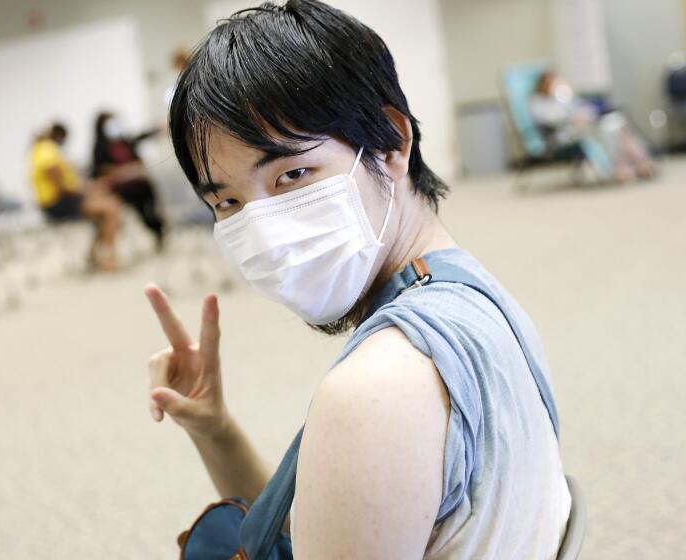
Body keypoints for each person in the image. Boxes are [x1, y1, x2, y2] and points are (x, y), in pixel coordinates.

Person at [145, 1, 569, 558]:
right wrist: (214, 429)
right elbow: (345, 521)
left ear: (391, 143)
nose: (265, 232)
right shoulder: (473, 296)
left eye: (292, 173)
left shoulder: (376, 390)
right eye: (226, 200)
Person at [530, 71, 655, 182]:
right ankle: (621, 167)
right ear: (544, 85)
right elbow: (551, 121)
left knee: (615, 124)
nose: (556, 84)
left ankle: (639, 162)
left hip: (586, 128)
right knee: (607, 130)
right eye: (552, 82)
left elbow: (583, 107)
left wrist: (582, 113)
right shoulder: (539, 102)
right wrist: (571, 118)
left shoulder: (565, 98)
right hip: (564, 136)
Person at [29, 123, 122, 271]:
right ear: (60, 136)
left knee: (110, 203)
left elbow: (68, 184)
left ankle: (93, 255)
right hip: (58, 204)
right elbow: (62, 188)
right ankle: (108, 258)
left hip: (63, 200)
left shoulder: (42, 150)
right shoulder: (47, 151)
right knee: (110, 209)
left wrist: (89, 189)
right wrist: (87, 190)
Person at [90, 112, 166, 251]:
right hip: (119, 190)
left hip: (140, 186)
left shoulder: (126, 142)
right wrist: (125, 171)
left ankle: (159, 233)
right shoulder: (100, 148)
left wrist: (159, 129)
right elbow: (99, 171)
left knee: (150, 213)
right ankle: (105, 250)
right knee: (111, 215)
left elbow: (142, 136)